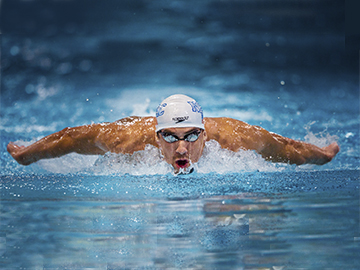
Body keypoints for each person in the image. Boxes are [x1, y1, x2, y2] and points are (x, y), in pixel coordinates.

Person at [7, 94, 339, 174]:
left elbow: (285, 148)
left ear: (206, 136)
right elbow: (70, 137)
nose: (182, 147)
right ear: (155, 138)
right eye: (169, 137)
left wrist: (321, 155)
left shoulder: (234, 138)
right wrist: (28, 154)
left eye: (192, 136)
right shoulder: (127, 140)